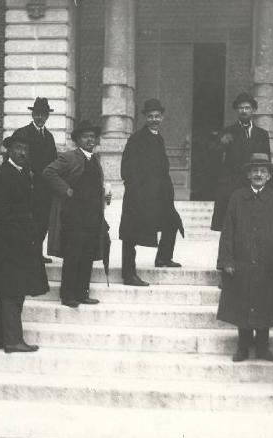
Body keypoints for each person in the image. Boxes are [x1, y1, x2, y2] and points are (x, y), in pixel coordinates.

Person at [216, 153, 273, 363]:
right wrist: (226, 261)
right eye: (255, 170)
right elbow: (228, 231)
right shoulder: (237, 197)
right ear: (249, 175)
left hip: (268, 263)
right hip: (242, 262)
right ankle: (242, 347)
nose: (258, 174)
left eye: (263, 171)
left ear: (268, 176)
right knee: (242, 303)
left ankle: (262, 348)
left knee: (265, 304)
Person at [0, 134, 49, 353]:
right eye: (18, 148)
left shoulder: (21, 173)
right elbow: (0, 212)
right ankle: (12, 340)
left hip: (15, 242)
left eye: (26, 149)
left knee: (6, 290)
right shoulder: (5, 174)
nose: (23, 153)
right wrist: (24, 232)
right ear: (9, 150)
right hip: (11, 242)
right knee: (13, 291)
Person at [43, 120, 109, 308]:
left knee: (87, 255)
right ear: (78, 140)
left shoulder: (95, 160)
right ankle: (68, 295)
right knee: (73, 255)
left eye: (93, 136)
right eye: (86, 136)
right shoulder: (69, 157)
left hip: (92, 217)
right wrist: (66, 190)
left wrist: (104, 196)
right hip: (73, 217)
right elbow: (49, 172)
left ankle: (82, 293)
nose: (90, 140)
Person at [119, 98, 184, 287]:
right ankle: (128, 273)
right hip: (139, 195)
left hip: (158, 195)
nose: (154, 119)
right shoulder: (137, 138)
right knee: (130, 234)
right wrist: (136, 192)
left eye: (157, 116)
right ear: (145, 118)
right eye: (150, 116)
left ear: (162, 117)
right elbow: (127, 168)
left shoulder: (159, 138)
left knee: (171, 221)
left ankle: (163, 258)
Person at [211, 92, 272, 231]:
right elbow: (214, 156)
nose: (244, 111)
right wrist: (221, 143)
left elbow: (267, 162)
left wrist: (269, 190)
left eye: (247, 107)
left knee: (253, 226)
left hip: (254, 184)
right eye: (241, 108)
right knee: (232, 227)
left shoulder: (262, 134)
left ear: (253, 110)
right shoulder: (228, 131)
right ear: (237, 110)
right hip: (232, 186)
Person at [12, 97, 58, 264]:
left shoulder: (50, 137)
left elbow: (54, 161)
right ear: (33, 114)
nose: (40, 117)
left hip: (45, 189)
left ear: (47, 116)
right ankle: (28, 253)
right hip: (27, 186)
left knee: (43, 221)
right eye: (37, 114)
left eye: (43, 114)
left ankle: (37, 252)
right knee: (28, 221)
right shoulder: (22, 133)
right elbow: (13, 158)